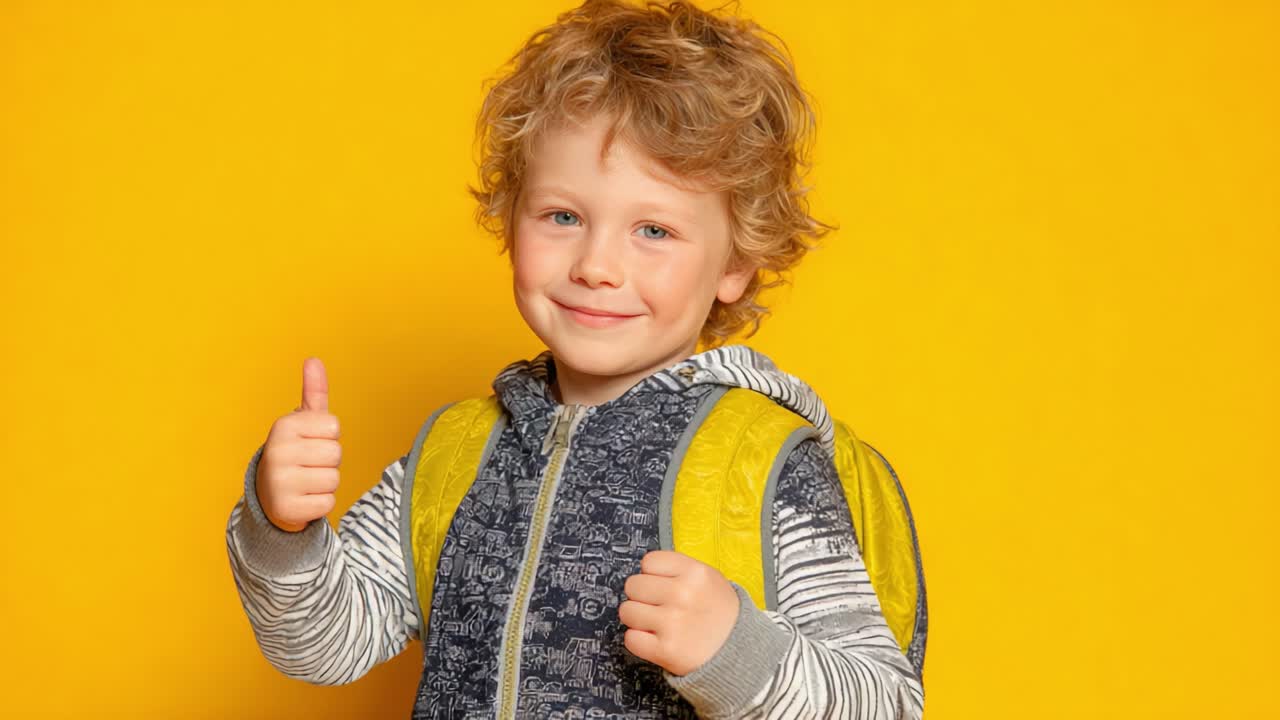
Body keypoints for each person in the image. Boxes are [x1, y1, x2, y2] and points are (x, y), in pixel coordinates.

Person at [225, 0, 926, 717]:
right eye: (563, 216)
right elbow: (323, 645)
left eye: (653, 230)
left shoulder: (760, 466)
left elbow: (885, 704)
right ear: (511, 216)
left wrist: (736, 651)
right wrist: (283, 530)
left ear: (735, 264)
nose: (596, 266)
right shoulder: (454, 456)